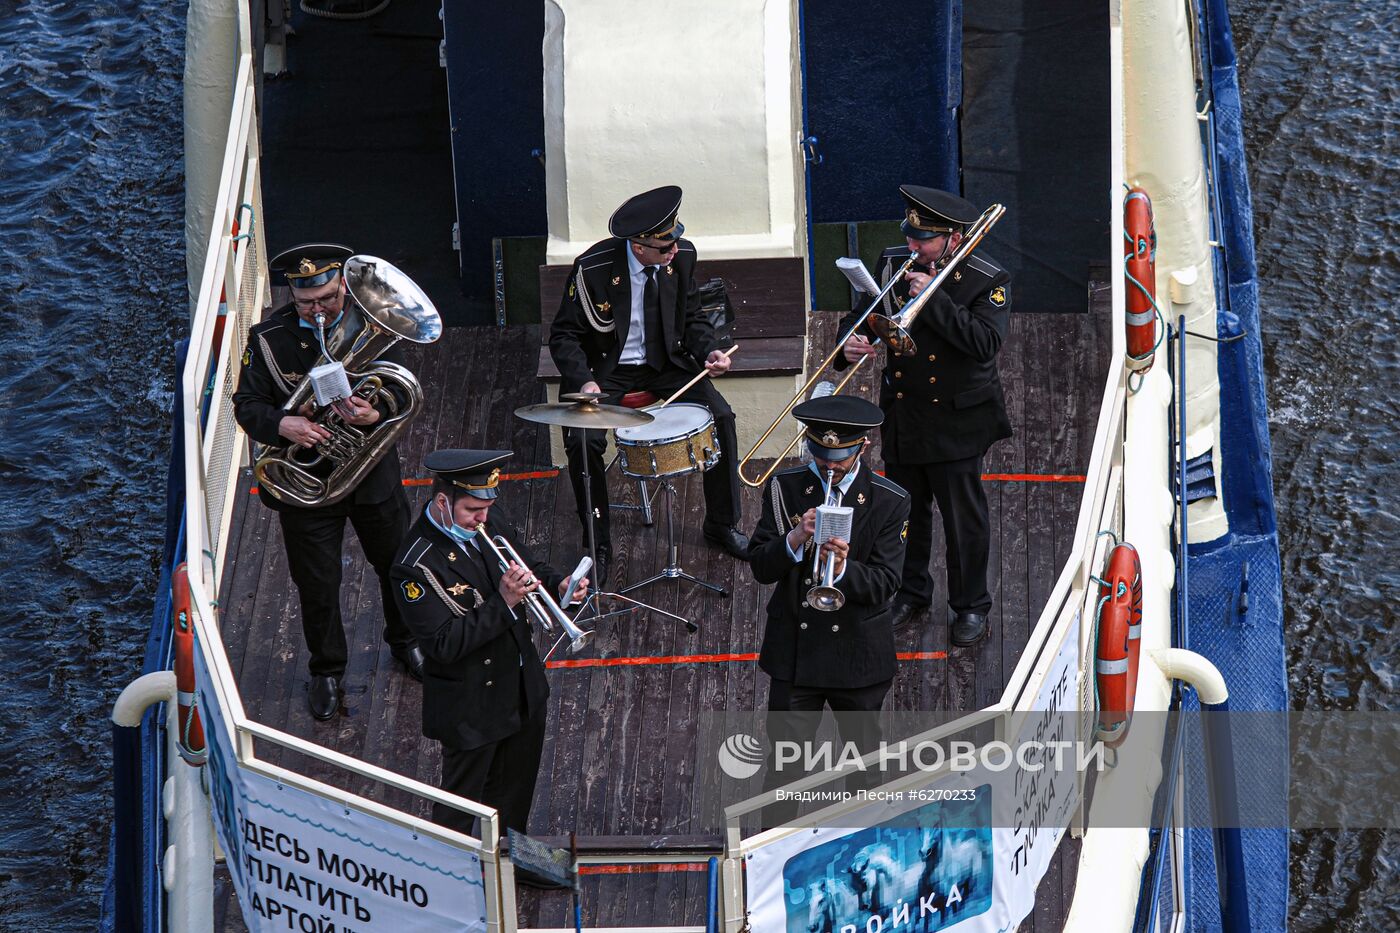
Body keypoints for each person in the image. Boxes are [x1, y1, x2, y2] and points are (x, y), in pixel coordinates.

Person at [233, 243, 423, 721]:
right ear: (292, 297)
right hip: (308, 483)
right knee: (317, 583)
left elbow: (402, 388)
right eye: (306, 303)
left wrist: (376, 412)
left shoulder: (370, 320)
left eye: (327, 299)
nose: (318, 311)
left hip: (371, 476)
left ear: (343, 286)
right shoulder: (267, 339)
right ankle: (327, 671)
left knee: (397, 566)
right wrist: (284, 425)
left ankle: (406, 644)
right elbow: (247, 404)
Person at [834, 186, 1013, 647]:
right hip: (905, 410)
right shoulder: (895, 262)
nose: (913, 247)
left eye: (925, 240)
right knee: (904, 512)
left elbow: (983, 344)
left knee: (963, 520)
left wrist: (933, 299)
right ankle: (910, 592)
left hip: (957, 417)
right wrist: (849, 342)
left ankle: (970, 605)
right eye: (911, 237)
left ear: (953, 239)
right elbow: (863, 315)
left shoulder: (986, 277)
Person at [548, 185, 749, 582]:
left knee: (722, 418)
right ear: (638, 247)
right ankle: (598, 543)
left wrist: (709, 352)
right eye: (663, 248)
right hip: (607, 370)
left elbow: (692, 318)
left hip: (668, 364)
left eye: (674, 241)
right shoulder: (594, 268)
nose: (672, 251)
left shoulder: (682, 256)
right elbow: (564, 335)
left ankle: (722, 524)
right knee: (583, 442)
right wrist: (584, 382)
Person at [390, 449, 586, 853]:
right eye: (472, 510)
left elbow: (525, 567)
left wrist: (558, 585)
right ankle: (451, 872)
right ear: (442, 502)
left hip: (520, 684)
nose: (482, 519)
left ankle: (514, 858)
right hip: (471, 702)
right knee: (461, 805)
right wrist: (504, 602)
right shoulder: (413, 566)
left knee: (516, 787)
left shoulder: (487, 518)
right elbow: (443, 645)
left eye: (486, 508)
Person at [747, 396, 909, 821]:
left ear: (863, 447)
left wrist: (844, 566)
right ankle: (772, 858)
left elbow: (885, 584)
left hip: (858, 655)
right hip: (795, 655)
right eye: (820, 455)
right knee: (784, 772)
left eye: (839, 458)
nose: (829, 466)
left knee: (865, 770)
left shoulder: (890, 501)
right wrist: (795, 539)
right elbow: (761, 567)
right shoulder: (785, 488)